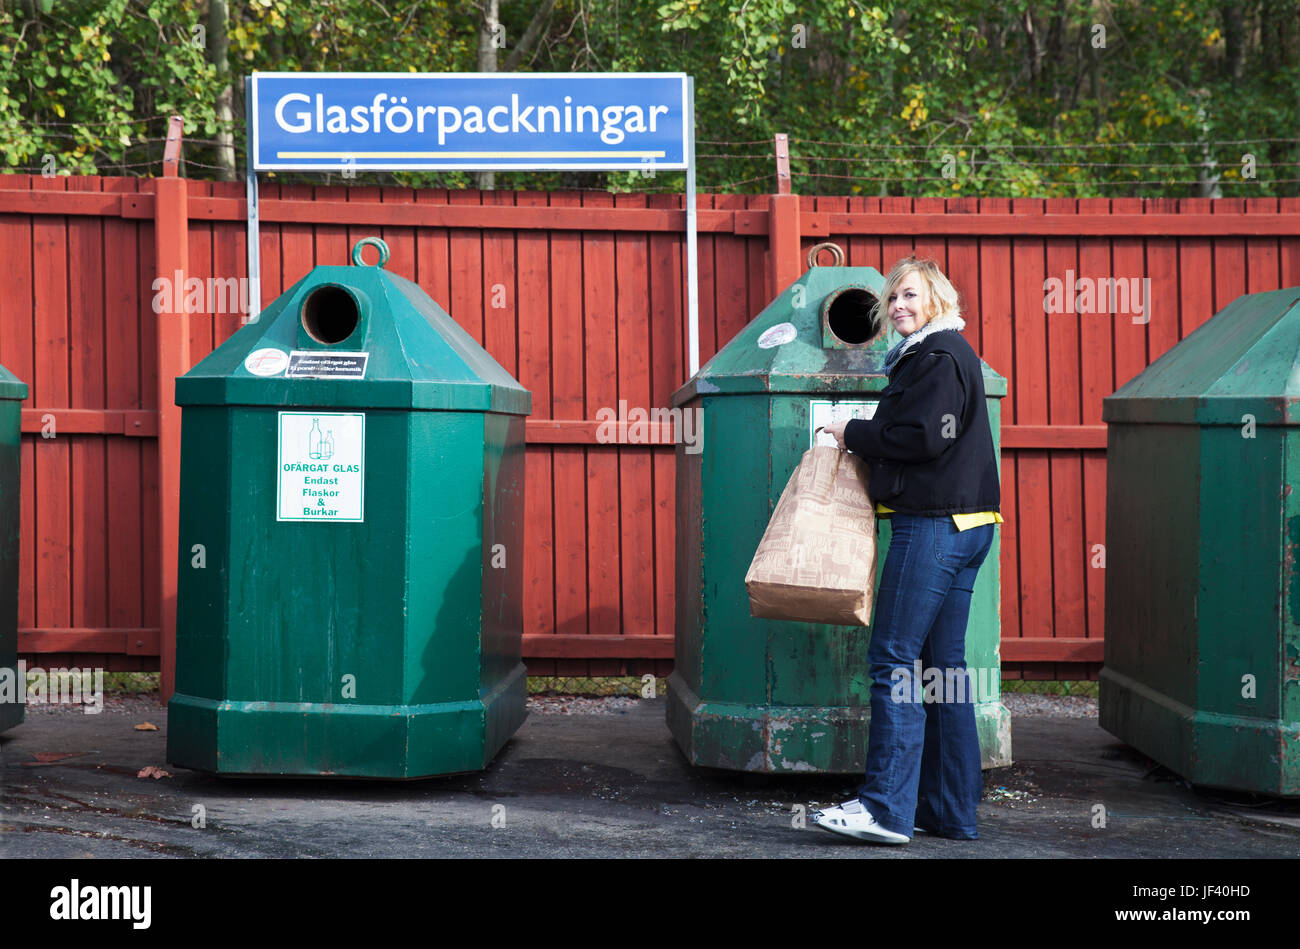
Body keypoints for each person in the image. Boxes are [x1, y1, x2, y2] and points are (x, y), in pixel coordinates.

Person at [811, 256, 1002, 844]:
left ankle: (885, 810)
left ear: (938, 300)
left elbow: (920, 437)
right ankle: (948, 812)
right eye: (892, 299)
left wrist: (851, 432)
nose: (898, 307)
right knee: (944, 672)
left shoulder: (936, 357)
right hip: (969, 524)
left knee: (893, 658)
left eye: (910, 296)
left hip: (933, 527)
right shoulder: (947, 356)